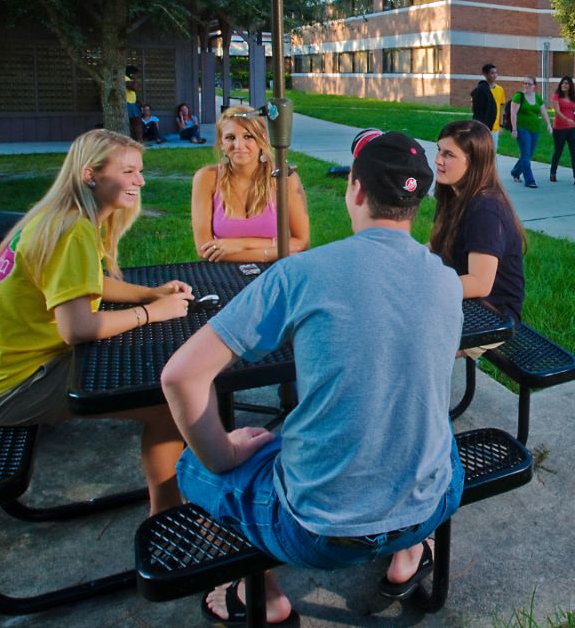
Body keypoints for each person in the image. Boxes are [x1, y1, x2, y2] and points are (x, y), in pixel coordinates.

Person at [162, 130, 463, 625]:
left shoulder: (301, 273)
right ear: (416, 203)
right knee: (434, 426)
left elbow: (180, 377)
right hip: (430, 505)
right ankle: (409, 555)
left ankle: (262, 593)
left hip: (317, 534)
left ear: (357, 191)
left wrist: (227, 453)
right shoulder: (446, 281)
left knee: (194, 466)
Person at [0, 129, 194, 515]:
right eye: (128, 171)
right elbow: (77, 329)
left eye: (139, 171)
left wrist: (149, 293)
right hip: (11, 388)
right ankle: (169, 516)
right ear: (91, 175)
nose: (140, 181)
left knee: (146, 367)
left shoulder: (59, 219)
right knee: (167, 404)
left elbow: (83, 284)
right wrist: (151, 313)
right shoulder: (73, 230)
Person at [430, 119, 525, 358]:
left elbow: (480, 283)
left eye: (448, 154)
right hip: (466, 301)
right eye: (439, 150)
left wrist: (424, 286)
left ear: (473, 163)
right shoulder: (453, 195)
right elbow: (433, 248)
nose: (438, 160)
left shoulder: (486, 209)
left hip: (494, 314)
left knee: (411, 347)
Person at [191, 106, 310, 263]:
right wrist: (274, 251)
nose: (239, 145)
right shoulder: (206, 178)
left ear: (262, 139)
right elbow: (204, 249)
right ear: (221, 142)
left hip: (274, 272)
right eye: (230, 138)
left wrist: (240, 244)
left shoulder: (284, 178)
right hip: (223, 275)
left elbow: (302, 242)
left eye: (248, 136)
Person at [508, 75, 552, 189]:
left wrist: (548, 125)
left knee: (528, 155)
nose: (526, 86)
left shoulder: (537, 98)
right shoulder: (519, 96)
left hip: (535, 129)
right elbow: (513, 113)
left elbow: (543, 112)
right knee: (526, 154)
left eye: (529, 84)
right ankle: (530, 180)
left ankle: (515, 172)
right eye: (525, 83)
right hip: (522, 129)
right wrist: (514, 129)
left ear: (534, 86)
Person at [549, 76, 575, 187]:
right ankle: (553, 172)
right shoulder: (556, 96)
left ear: (570, 85)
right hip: (559, 128)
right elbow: (557, 111)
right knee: (558, 151)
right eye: (563, 83)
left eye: (567, 83)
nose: (564, 85)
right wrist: (566, 120)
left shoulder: (573, 97)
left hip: (572, 128)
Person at [469, 63, 506, 146]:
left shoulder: (500, 90)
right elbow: (473, 108)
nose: (495, 75)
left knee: (493, 153)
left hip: (495, 128)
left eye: (496, 73)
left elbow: (501, 108)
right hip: (483, 126)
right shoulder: (480, 90)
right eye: (492, 73)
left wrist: (501, 125)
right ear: (485, 74)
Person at [125, 65, 144, 142]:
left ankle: (139, 140)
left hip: (132, 103)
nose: (137, 76)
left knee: (136, 123)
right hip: (128, 104)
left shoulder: (129, 79)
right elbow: (134, 88)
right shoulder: (125, 78)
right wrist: (135, 79)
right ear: (131, 73)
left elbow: (135, 89)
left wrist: (138, 101)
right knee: (136, 123)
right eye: (136, 74)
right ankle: (139, 140)